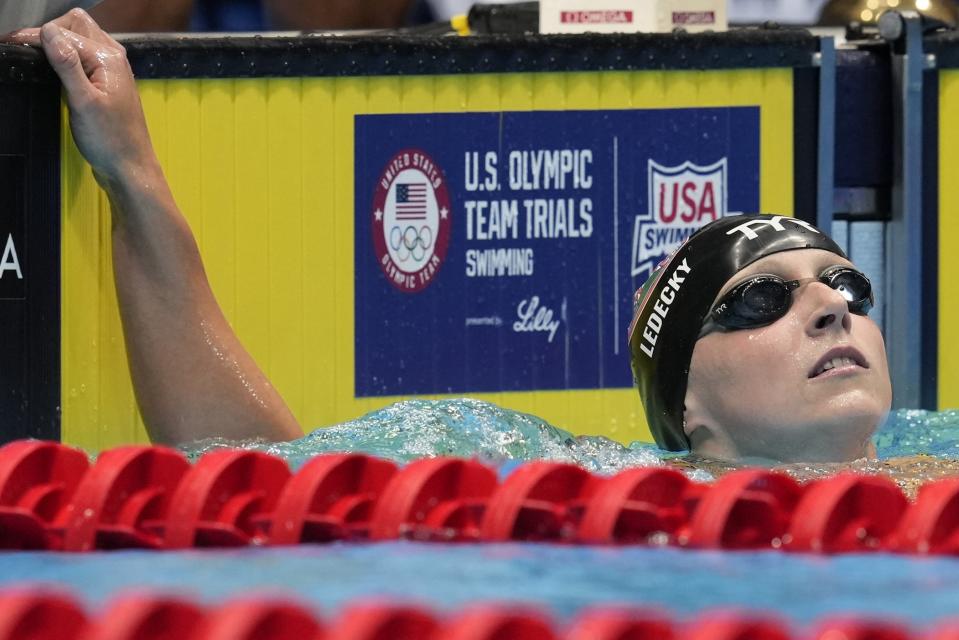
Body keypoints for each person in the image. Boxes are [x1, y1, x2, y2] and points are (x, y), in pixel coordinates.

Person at [10, 9, 893, 462]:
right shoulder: (592, 489)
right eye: (763, 300)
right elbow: (255, 473)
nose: (829, 308)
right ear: (684, 406)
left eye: (847, 287)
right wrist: (132, 176)